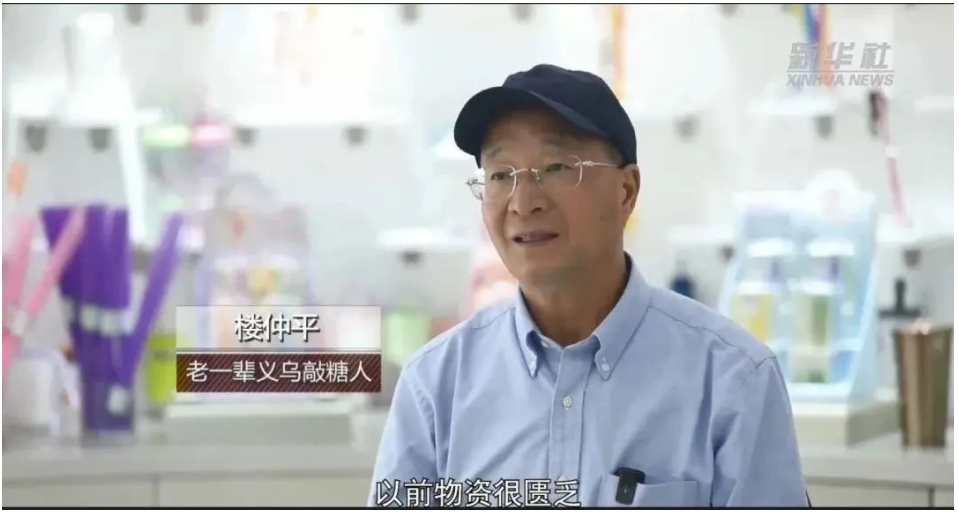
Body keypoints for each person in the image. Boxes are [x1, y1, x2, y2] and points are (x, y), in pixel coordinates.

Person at [368, 64, 808, 508]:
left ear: (626, 191)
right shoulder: (435, 384)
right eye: (501, 175)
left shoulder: (733, 380)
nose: (524, 202)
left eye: (557, 167)